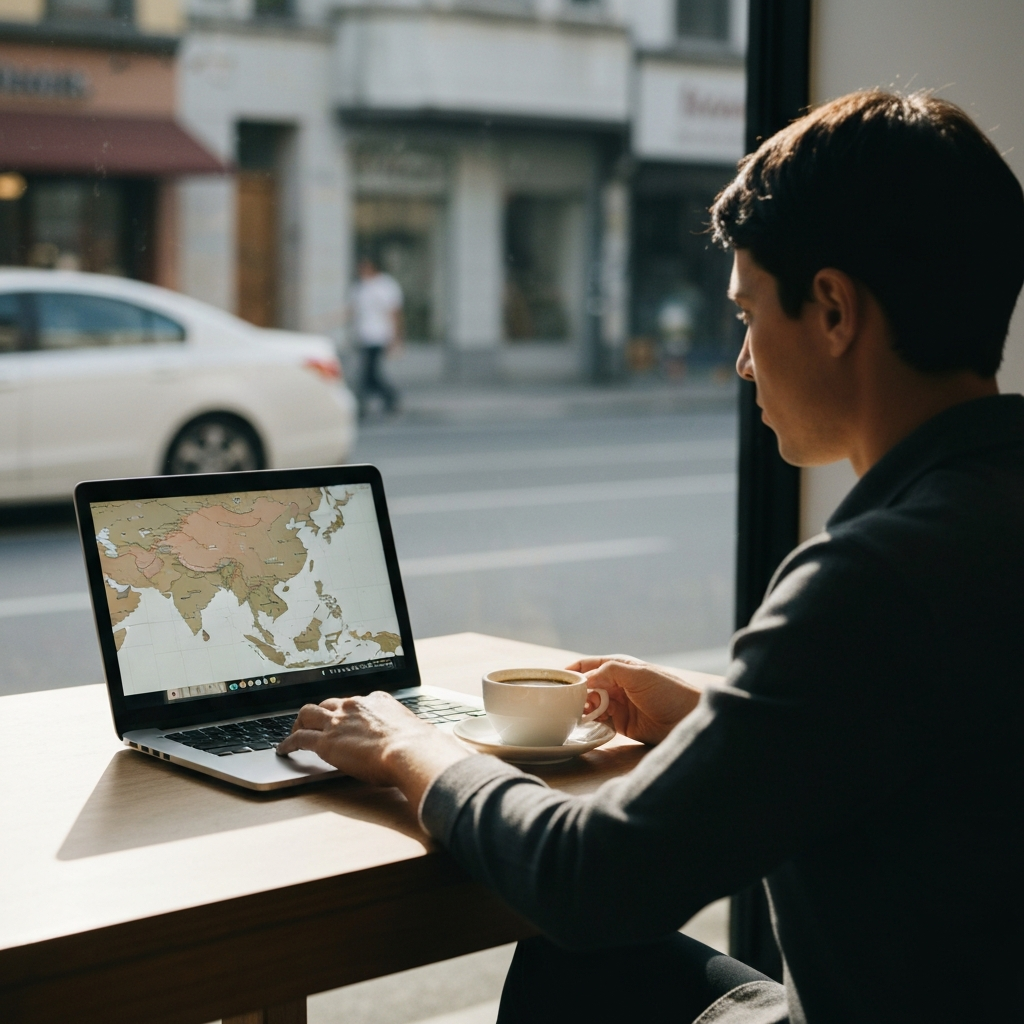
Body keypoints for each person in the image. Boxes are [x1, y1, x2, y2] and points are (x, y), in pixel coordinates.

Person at [278, 90, 1024, 1023]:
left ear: (833, 310)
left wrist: (406, 745)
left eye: (750, 314)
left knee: (572, 952)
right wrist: (711, 715)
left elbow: (591, 880)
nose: (745, 360)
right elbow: (926, 734)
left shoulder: (871, 580)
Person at [352, 255, 402, 417]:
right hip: (364, 336)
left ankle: (388, 398)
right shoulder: (361, 287)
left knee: (370, 372)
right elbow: (353, 310)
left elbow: (394, 312)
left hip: (379, 336)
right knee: (368, 372)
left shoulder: (385, 285)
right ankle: (383, 400)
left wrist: (395, 337)